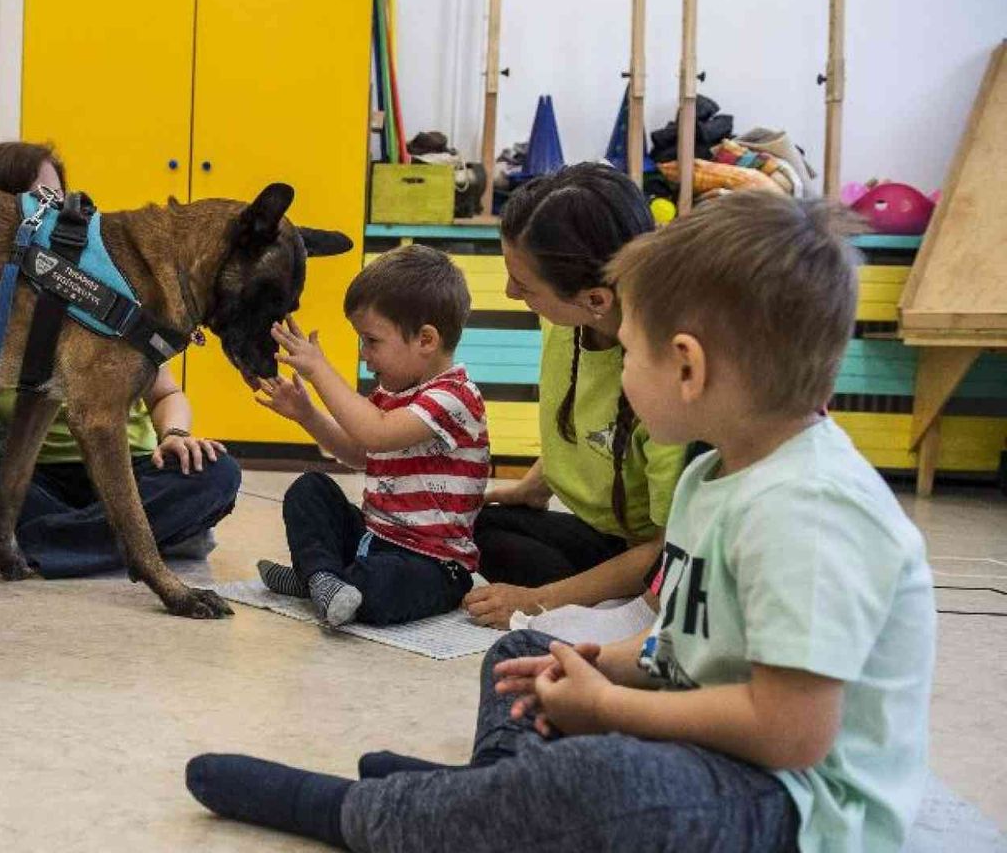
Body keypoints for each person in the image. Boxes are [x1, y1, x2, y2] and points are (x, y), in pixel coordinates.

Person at [184, 192, 935, 853]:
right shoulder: (718, 473)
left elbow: (790, 733)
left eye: (630, 352)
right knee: (520, 652)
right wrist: (601, 665)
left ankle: (371, 815)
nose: (619, 371)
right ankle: (498, 800)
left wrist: (608, 707)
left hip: (796, 814)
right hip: (723, 749)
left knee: (603, 782)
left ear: (687, 366)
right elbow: (685, 642)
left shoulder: (809, 510)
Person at [0, 141, 241, 577]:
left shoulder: (103, 290)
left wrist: (176, 434)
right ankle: (155, 539)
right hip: (34, 481)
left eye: (57, 199)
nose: (52, 212)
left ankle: (20, 543)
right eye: (38, 201)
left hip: (128, 473)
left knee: (217, 475)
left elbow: (168, 393)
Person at [467, 162, 686, 628]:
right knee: (470, 523)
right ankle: (602, 593)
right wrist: (533, 486)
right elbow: (593, 422)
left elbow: (672, 550)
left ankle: (611, 599)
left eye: (524, 286)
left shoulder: (663, 384)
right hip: (601, 531)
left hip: (650, 552)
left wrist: (538, 600)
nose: (510, 292)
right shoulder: (572, 320)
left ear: (595, 300)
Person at [252, 245, 488, 627]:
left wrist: (319, 369)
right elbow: (360, 452)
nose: (364, 354)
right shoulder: (390, 395)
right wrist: (307, 414)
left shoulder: (455, 398)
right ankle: (325, 579)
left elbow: (375, 435)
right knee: (309, 490)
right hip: (372, 539)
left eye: (372, 341)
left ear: (426, 340)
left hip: (432, 562)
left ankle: (317, 577)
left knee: (381, 591)